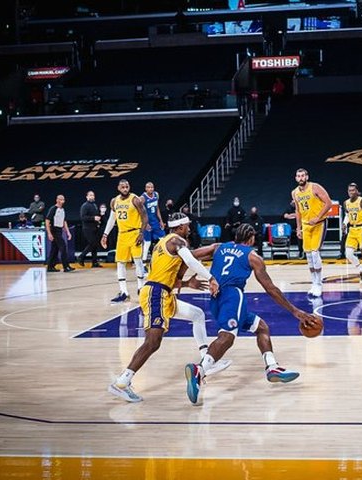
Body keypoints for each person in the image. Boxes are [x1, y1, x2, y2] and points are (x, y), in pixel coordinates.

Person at [184, 224, 322, 406]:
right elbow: (270, 289)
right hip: (233, 296)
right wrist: (295, 311)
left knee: (261, 327)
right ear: (251, 240)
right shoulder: (252, 256)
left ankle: (272, 367)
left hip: (215, 297)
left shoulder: (218, 247)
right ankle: (200, 370)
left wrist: (185, 280)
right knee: (228, 336)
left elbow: (188, 255)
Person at [108, 212, 231, 403]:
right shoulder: (176, 241)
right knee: (153, 341)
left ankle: (207, 358)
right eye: (187, 226)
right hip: (155, 294)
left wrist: (188, 285)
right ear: (180, 227)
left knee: (197, 314)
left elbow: (166, 277)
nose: (189, 228)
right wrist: (211, 278)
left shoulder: (163, 244)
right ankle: (122, 382)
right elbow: (191, 260)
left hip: (163, 293)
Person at [101, 179, 148, 302]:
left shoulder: (135, 199)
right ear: (118, 188)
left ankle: (141, 287)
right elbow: (112, 220)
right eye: (123, 187)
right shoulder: (114, 201)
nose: (125, 189)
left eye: (127, 186)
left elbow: (144, 217)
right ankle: (124, 292)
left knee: (137, 261)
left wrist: (142, 233)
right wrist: (105, 234)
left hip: (134, 233)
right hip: (122, 235)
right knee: (120, 263)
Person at [292, 168, 333, 297]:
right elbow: (298, 211)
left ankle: (319, 284)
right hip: (305, 225)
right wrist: (298, 228)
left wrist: (318, 217)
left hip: (319, 223)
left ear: (307, 177)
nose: (301, 178)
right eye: (298, 176)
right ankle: (314, 283)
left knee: (315, 253)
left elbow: (329, 203)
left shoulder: (315, 187)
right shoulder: (294, 193)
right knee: (309, 256)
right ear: (296, 178)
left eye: (303, 175)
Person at [45, 194, 75, 273]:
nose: (62, 201)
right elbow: (47, 221)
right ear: (57, 200)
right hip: (54, 230)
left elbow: (64, 221)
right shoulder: (53, 209)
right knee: (63, 247)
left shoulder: (62, 210)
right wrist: (49, 233)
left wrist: (68, 232)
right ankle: (66, 266)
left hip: (59, 230)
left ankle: (50, 266)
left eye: (63, 199)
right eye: (61, 199)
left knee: (54, 249)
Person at [141, 182, 166, 264]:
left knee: (163, 239)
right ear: (145, 188)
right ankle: (143, 262)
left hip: (155, 221)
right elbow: (140, 211)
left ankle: (164, 257)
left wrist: (161, 220)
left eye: (152, 187)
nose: (151, 189)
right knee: (147, 242)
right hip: (147, 222)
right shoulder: (142, 198)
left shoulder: (156, 195)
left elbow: (157, 208)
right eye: (149, 187)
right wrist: (145, 223)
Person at [78, 190, 102, 267]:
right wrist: (93, 218)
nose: (92, 197)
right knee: (92, 243)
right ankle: (81, 256)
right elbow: (83, 217)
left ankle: (94, 262)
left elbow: (97, 215)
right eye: (90, 195)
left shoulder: (94, 205)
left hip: (95, 227)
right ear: (87, 197)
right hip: (87, 228)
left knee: (95, 245)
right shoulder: (84, 206)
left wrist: (99, 218)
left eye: (93, 195)